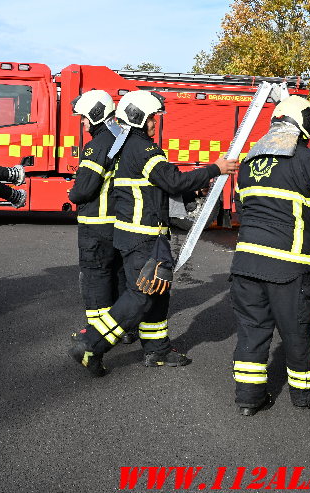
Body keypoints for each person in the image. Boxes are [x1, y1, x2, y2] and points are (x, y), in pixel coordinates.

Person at [69, 90, 238, 376]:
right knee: (141, 295)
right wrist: (215, 169)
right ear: (138, 117)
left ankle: (157, 349)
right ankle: (91, 343)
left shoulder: (123, 147)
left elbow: (155, 187)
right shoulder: (143, 148)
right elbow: (172, 181)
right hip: (143, 237)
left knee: (158, 292)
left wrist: (192, 188)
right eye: (152, 119)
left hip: (134, 234)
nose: (154, 124)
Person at [230, 95, 310, 416]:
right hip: (289, 266)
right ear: (305, 128)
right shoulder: (307, 160)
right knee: (298, 329)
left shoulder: (251, 161)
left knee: (252, 329)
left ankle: (248, 398)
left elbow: (243, 208)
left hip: (246, 263)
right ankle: (306, 393)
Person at [67, 90, 136, 347]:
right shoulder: (123, 138)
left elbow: (84, 190)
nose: (83, 123)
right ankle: (122, 329)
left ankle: (97, 334)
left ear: (95, 115)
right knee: (119, 276)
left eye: (83, 118)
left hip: (95, 225)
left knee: (95, 278)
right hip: (120, 224)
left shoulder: (97, 144)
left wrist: (73, 192)